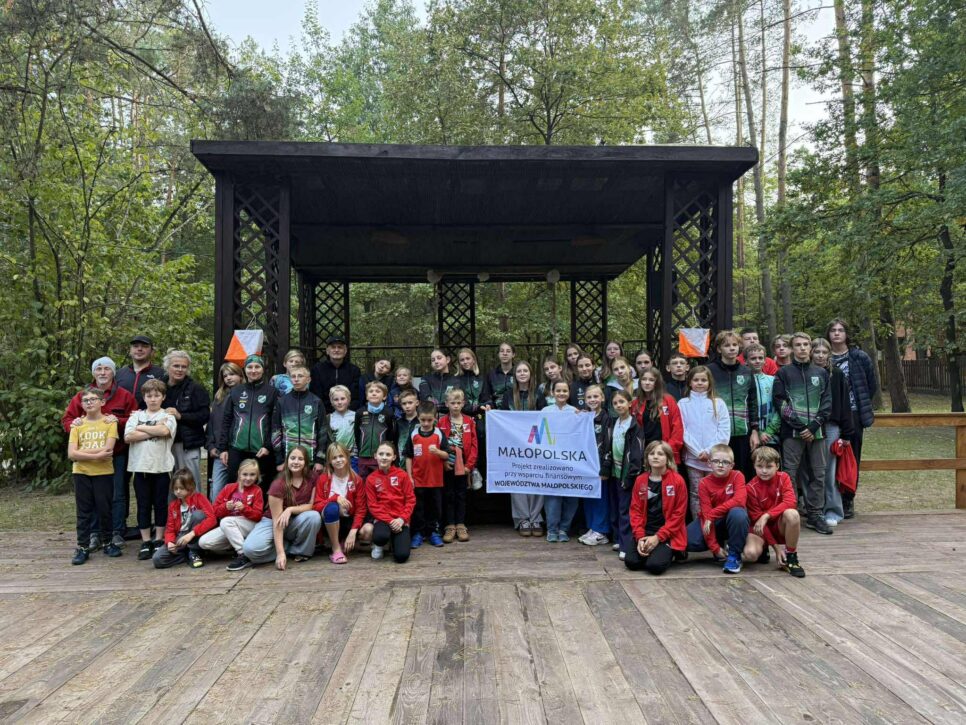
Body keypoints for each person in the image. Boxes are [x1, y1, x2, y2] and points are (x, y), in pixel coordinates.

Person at [62, 356, 136, 551]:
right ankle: (94, 535)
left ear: (113, 372)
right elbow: (67, 419)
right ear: (93, 373)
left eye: (107, 369)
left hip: (117, 454)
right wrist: (75, 425)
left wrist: (117, 420)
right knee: (90, 498)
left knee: (117, 494)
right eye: (98, 369)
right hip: (85, 457)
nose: (102, 372)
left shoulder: (124, 395)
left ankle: (116, 532)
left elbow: (134, 418)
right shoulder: (82, 396)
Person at [773, 333, 833, 535]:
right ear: (791, 349)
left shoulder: (821, 373)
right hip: (792, 432)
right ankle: (790, 512)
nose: (802, 348)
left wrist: (814, 426)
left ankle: (815, 514)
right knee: (789, 472)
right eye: (797, 345)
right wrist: (800, 427)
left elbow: (827, 403)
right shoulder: (784, 373)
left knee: (819, 473)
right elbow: (780, 402)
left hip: (817, 433)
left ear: (810, 347)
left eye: (805, 344)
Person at [826, 318, 878, 519]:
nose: (837, 334)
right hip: (830, 415)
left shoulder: (859, 357)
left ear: (847, 334)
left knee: (851, 457)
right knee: (829, 458)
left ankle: (848, 499)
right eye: (833, 330)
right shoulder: (823, 355)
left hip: (854, 414)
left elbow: (870, 384)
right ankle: (829, 501)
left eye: (840, 330)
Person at [242, 446, 322, 570]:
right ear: (287, 461)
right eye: (292, 458)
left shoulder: (312, 478)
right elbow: (277, 522)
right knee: (250, 550)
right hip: (273, 521)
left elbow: (312, 505)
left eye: (300, 459)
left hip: (296, 520)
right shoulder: (278, 484)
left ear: (306, 462)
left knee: (314, 516)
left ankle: (300, 551)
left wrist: (290, 510)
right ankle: (287, 547)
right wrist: (280, 553)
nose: (296, 462)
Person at [125, 379, 177, 561]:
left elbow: (165, 432)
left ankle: (158, 539)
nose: (153, 399)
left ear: (163, 397)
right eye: (149, 396)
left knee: (161, 504)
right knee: (143, 504)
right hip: (140, 468)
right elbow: (129, 436)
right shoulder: (135, 416)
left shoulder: (168, 416)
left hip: (161, 467)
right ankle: (145, 541)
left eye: (156, 395)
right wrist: (153, 427)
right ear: (144, 397)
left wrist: (142, 428)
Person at [68, 387, 121, 564]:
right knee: (83, 512)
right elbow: (71, 454)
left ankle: (107, 543)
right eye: (86, 400)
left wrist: (83, 453)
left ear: (102, 402)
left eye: (93, 399)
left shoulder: (109, 422)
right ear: (81, 404)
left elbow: (109, 448)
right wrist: (97, 456)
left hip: (104, 473)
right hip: (81, 473)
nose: (89, 402)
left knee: (104, 509)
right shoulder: (77, 425)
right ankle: (82, 547)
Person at [216, 353, 278, 494]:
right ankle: (234, 514)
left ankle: (258, 514)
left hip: (261, 450)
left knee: (261, 486)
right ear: (245, 369)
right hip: (237, 448)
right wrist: (223, 448)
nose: (253, 370)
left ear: (263, 369)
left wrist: (268, 446)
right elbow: (227, 420)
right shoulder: (236, 391)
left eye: (257, 366)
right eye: (250, 367)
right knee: (234, 483)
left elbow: (276, 423)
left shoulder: (272, 392)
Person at [811, 337, 856, 527]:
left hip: (830, 426)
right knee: (810, 470)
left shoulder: (836, 374)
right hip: (808, 426)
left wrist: (846, 433)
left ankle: (833, 509)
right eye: (817, 352)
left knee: (828, 470)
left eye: (824, 352)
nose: (820, 356)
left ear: (829, 354)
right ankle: (814, 508)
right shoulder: (805, 373)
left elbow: (845, 404)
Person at [685, 443, 749, 574]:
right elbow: (706, 514)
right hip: (714, 522)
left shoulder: (737, 476)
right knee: (686, 540)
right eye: (716, 461)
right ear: (709, 463)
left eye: (725, 462)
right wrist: (714, 548)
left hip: (731, 519)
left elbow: (739, 500)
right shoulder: (704, 483)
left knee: (738, 513)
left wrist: (712, 514)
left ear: (732, 465)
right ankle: (719, 545)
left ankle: (734, 555)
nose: (720, 465)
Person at [625, 441, 688, 574]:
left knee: (654, 566)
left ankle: (676, 551)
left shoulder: (677, 481)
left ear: (668, 458)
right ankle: (650, 548)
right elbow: (635, 510)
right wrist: (640, 537)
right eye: (651, 453)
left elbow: (679, 515)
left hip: (667, 533)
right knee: (632, 562)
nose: (655, 457)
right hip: (646, 530)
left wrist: (658, 538)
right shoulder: (641, 480)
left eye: (660, 454)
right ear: (647, 457)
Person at [742, 446, 805, 577]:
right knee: (751, 554)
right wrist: (776, 548)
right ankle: (764, 549)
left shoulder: (784, 478)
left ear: (777, 466)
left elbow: (791, 502)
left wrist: (766, 515)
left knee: (792, 514)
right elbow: (757, 521)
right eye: (760, 466)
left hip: (778, 524)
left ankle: (791, 557)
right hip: (760, 529)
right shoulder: (750, 488)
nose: (764, 471)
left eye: (769, 466)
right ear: (754, 466)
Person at [678, 365, 731, 518]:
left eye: (703, 380)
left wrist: (709, 451)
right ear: (690, 382)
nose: (700, 383)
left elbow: (724, 430)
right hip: (693, 458)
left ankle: (716, 526)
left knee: (715, 492)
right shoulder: (683, 403)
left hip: (714, 458)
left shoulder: (718, 403)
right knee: (696, 492)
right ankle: (699, 527)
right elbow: (682, 430)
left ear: (709, 382)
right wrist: (697, 451)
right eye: (696, 380)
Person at [707, 330, 760, 480]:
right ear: (719, 349)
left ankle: (741, 502)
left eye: (735, 345)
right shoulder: (710, 371)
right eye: (727, 345)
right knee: (720, 471)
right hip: (717, 432)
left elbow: (752, 402)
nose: (732, 348)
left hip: (742, 431)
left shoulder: (746, 371)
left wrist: (755, 430)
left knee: (742, 471)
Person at [501, 360, 546, 537]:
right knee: (517, 481)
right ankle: (522, 519)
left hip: (536, 443)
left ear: (530, 374)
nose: (522, 373)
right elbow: (502, 419)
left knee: (537, 480)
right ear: (515, 375)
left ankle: (536, 518)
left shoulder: (539, 394)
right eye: (518, 371)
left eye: (525, 370)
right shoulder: (508, 396)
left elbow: (545, 418)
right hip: (515, 445)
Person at [198, 458, 264, 571]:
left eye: (252, 475)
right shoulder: (228, 488)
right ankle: (237, 544)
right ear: (239, 473)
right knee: (203, 542)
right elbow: (215, 511)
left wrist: (245, 508)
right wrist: (225, 507)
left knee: (226, 521)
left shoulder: (257, 490)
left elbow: (258, 515)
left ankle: (243, 554)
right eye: (245, 474)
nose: (248, 478)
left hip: (249, 525)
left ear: (257, 476)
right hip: (230, 526)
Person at [161, 349, 209, 491]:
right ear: (167, 367)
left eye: (184, 366)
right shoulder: (159, 386)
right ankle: (175, 513)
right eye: (176, 366)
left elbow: (204, 416)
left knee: (188, 484)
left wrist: (181, 416)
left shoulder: (196, 389)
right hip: (163, 443)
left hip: (186, 444)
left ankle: (194, 513)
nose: (180, 369)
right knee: (171, 487)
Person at [314, 442, 371, 564]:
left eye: (341, 456)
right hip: (329, 521)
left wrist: (353, 531)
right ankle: (336, 549)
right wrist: (335, 497)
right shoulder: (323, 479)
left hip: (347, 521)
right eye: (334, 458)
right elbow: (317, 505)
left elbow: (361, 509)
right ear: (329, 461)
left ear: (347, 457)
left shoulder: (357, 480)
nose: (338, 460)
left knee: (368, 531)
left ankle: (346, 540)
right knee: (333, 507)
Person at [404, 401, 449, 548]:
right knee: (418, 507)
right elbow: (408, 456)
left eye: (429, 420)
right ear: (418, 417)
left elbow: (447, 455)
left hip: (436, 480)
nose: (426, 423)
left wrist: (438, 452)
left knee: (435, 507)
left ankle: (434, 532)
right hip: (418, 479)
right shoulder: (414, 434)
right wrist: (409, 476)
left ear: (435, 418)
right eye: (423, 420)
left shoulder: (438, 434)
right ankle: (418, 533)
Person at [152, 469, 217, 569]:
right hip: (180, 537)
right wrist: (170, 542)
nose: (178, 491)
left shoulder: (199, 498)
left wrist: (192, 534)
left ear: (190, 487)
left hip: (195, 534)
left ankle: (194, 551)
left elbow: (212, 519)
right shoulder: (173, 506)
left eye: (181, 488)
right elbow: (170, 529)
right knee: (158, 559)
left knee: (198, 515)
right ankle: (188, 555)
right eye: (175, 488)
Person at [609, 389, 647, 560]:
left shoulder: (634, 426)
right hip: (614, 473)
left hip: (627, 475)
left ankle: (626, 545)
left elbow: (637, 455)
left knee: (626, 510)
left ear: (630, 403)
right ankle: (617, 538)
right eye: (615, 403)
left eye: (622, 402)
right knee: (616, 507)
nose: (619, 405)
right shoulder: (614, 423)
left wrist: (631, 476)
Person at [271, 366, 327, 476]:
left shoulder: (316, 401)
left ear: (308, 379)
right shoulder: (282, 402)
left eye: (300, 376)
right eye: (293, 376)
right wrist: (279, 460)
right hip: (288, 460)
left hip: (310, 459)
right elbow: (275, 431)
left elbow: (323, 432)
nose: (296, 379)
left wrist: (320, 460)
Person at [438, 388, 478, 543]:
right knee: (448, 494)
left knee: (461, 494)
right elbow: (438, 443)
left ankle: (461, 524)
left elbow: (474, 445)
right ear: (447, 404)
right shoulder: (441, 422)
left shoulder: (469, 421)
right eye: (452, 403)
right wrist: (443, 462)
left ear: (463, 404)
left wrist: (469, 465)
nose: (455, 406)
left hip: (464, 465)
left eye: (458, 403)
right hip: (448, 463)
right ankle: (449, 525)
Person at [542, 380, 580, 542]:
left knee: (571, 496)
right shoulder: (545, 411)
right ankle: (552, 529)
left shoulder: (575, 412)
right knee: (552, 496)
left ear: (569, 393)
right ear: (552, 392)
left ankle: (564, 529)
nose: (561, 394)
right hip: (551, 461)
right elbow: (539, 433)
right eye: (558, 390)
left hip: (571, 460)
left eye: (565, 390)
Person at [366, 442, 416, 563]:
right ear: (375, 456)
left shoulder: (402, 475)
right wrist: (390, 521)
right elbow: (373, 505)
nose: (384, 457)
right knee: (380, 536)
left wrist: (401, 519)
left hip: (401, 520)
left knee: (402, 557)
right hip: (383, 519)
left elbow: (410, 500)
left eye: (388, 454)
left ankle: (394, 542)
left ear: (394, 457)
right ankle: (379, 545)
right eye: (381, 454)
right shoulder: (371, 479)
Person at [578, 385, 613, 546]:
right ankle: (592, 527)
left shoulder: (607, 418)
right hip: (586, 465)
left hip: (600, 465)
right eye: (589, 397)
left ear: (602, 398)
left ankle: (602, 531)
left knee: (601, 498)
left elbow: (608, 443)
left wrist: (606, 465)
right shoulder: (584, 417)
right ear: (585, 400)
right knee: (589, 497)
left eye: (595, 396)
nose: (592, 400)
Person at [207, 362, 243, 500]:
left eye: (232, 374)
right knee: (217, 490)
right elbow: (212, 423)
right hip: (219, 450)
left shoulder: (245, 395)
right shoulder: (219, 397)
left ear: (240, 375)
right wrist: (210, 445)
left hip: (238, 450)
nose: (228, 378)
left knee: (238, 489)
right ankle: (216, 519)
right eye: (225, 375)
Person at [632, 369, 684, 466]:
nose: (647, 383)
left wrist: (668, 448)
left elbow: (677, 427)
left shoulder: (668, 400)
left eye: (651, 380)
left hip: (665, 451)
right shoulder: (636, 403)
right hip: (645, 453)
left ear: (657, 382)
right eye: (644, 379)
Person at [354, 381, 397, 481]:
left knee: (380, 482)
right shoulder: (360, 412)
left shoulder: (388, 412)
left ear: (384, 396)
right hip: (363, 456)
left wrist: (385, 452)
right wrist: (360, 450)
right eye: (371, 391)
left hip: (381, 457)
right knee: (363, 481)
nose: (374, 393)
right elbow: (357, 433)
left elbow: (392, 434)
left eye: (378, 391)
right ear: (367, 396)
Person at [310, 335, 362, 413]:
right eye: (333, 347)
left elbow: (355, 396)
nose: (336, 350)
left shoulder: (354, 370)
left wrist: (346, 411)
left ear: (345, 351)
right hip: (325, 413)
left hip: (349, 413)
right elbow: (316, 395)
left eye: (340, 347)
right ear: (327, 351)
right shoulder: (317, 369)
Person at [745, 343, 781, 451]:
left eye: (760, 358)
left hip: (771, 436)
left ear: (765, 360)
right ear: (746, 361)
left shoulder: (773, 381)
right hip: (750, 436)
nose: (757, 361)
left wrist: (769, 431)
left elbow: (780, 408)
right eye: (753, 358)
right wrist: (757, 432)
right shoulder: (743, 382)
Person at [116, 334, 165, 407]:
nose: (139, 349)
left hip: (151, 417)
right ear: (130, 351)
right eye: (135, 346)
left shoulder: (161, 374)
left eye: (144, 346)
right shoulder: (119, 374)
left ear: (152, 352)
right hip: (122, 417)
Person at [418, 348, 460, 417]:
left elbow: (457, 402)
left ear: (447, 359)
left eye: (439, 358)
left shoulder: (456, 380)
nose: (436, 361)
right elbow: (425, 399)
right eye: (433, 360)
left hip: (451, 419)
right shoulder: (426, 379)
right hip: (430, 420)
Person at [326, 384, 357, 471]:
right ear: (331, 402)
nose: (339, 402)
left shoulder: (355, 416)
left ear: (349, 399)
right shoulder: (329, 418)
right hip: (336, 457)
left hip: (353, 456)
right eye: (336, 399)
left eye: (343, 399)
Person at [486, 342, 516, 410]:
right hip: (496, 413)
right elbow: (486, 396)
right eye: (502, 351)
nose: (505, 353)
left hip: (515, 412)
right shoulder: (491, 375)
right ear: (498, 354)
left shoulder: (519, 373)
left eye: (508, 351)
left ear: (513, 354)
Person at [396, 389, 420, 471]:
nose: (407, 406)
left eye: (410, 403)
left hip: (419, 462)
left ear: (417, 403)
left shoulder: (423, 421)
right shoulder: (397, 422)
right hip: (401, 463)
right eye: (404, 403)